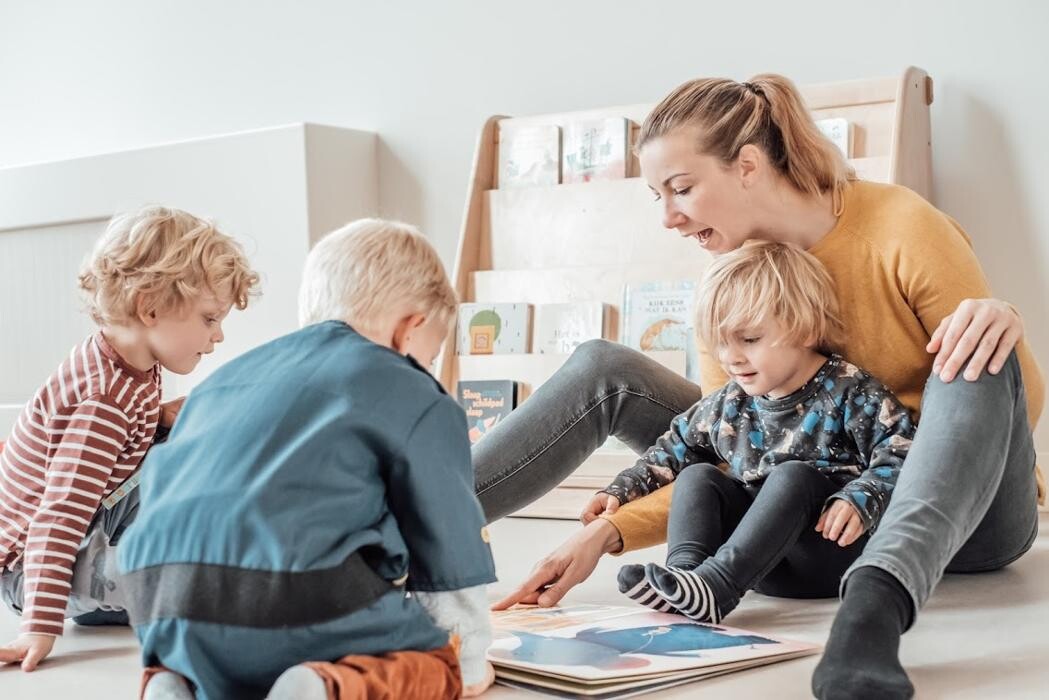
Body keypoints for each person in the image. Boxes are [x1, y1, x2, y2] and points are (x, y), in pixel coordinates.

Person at [480, 74, 1044, 700]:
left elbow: (1014, 397)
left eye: (682, 189)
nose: (668, 216)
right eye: (658, 196)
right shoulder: (734, 278)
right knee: (601, 367)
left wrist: (1003, 320)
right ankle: (398, 530)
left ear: (746, 165)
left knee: (978, 341)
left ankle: (873, 616)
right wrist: (604, 531)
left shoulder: (902, 227)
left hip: (956, 512)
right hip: (807, 509)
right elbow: (733, 447)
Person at [119, 219, 498, 700]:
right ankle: (324, 686)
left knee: (226, 653)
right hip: (296, 599)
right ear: (410, 330)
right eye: (428, 356)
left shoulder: (225, 380)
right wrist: (464, 659)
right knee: (434, 668)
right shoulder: (416, 394)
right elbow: (449, 548)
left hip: (159, 599)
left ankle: (174, 684)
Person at [584, 240, 914, 624]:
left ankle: (716, 587)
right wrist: (620, 490)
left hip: (827, 551)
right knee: (697, 476)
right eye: (721, 343)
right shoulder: (730, 402)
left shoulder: (849, 390)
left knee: (793, 476)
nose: (731, 357)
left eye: (749, 340)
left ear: (804, 329)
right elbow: (675, 447)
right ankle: (687, 580)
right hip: (754, 562)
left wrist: (861, 498)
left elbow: (904, 449)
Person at [0, 205, 258, 671]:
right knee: (175, 581)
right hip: (32, 569)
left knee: (197, 452)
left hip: (92, 519)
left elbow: (117, 461)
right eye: (209, 319)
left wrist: (158, 422)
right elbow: (58, 516)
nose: (218, 336)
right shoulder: (102, 404)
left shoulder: (132, 360)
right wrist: (39, 625)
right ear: (150, 308)